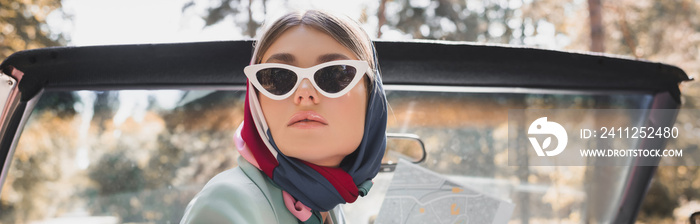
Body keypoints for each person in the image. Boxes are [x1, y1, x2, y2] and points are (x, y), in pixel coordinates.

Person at [180, 10, 388, 224]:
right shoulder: (226, 204)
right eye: (279, 77)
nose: (304, 93)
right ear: (256, 100)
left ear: (372, 97)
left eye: (335, 74)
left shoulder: (328, 202)